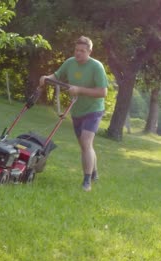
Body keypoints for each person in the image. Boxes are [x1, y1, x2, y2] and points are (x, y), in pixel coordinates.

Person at [39, 36, 108, 192]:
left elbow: (103, 92)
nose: (78, 54)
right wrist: (46, 78)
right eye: (76, 50)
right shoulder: (70, 62)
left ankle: (86, 181)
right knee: (85, 145)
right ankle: (94, 173)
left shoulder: (96, 67)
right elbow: (57, 76)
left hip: (94, 110)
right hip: (77, 110)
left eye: (82, 51)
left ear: (90, 51)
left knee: (85, 142)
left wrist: (79, 90)